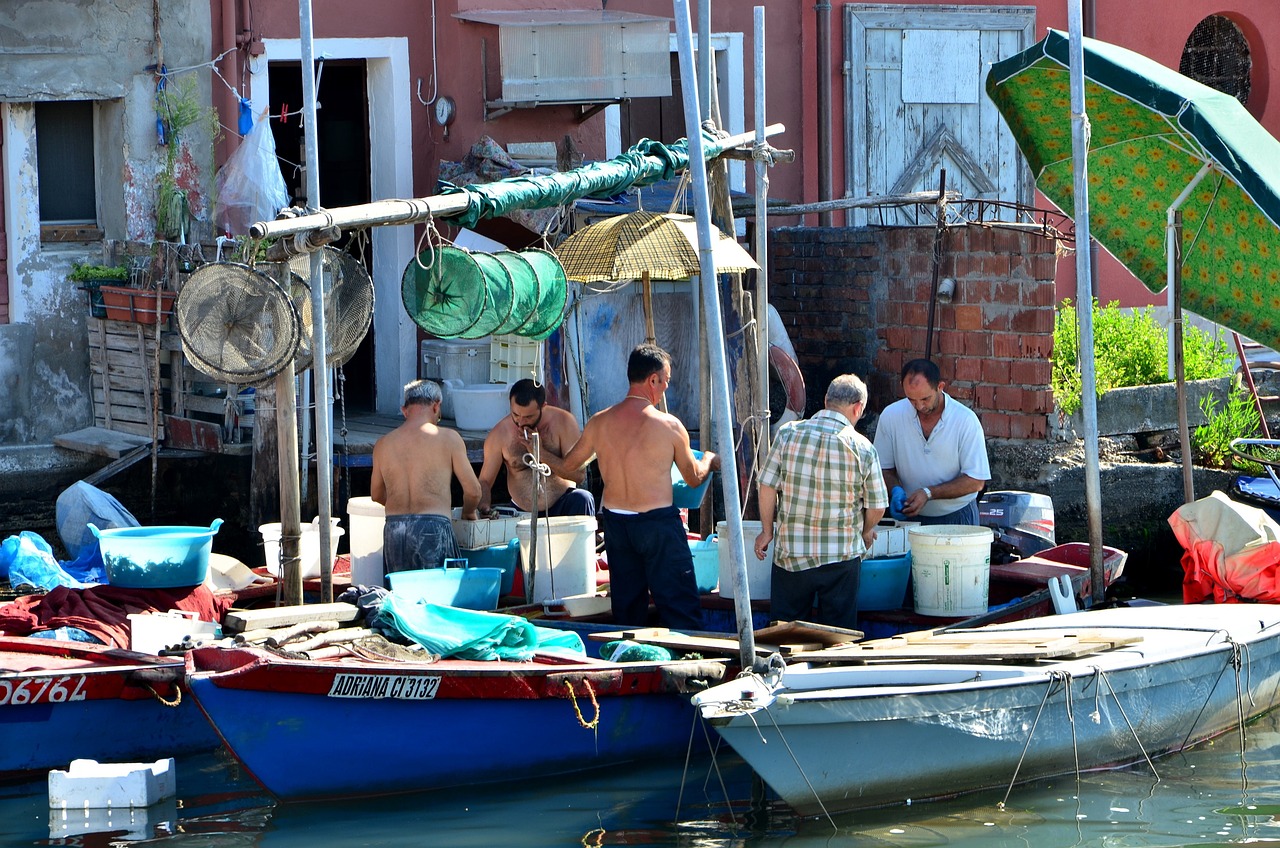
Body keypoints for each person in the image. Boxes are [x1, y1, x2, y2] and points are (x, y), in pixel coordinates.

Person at [549, 344, 718, 630]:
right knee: (681, 608)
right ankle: (691, 668)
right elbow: (691, 478)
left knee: (627, 614)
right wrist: (711, 461)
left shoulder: (599, 422)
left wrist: (536, 453)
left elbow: (567, 466)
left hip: (617, 525)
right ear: (653, 380)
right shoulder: (670, 426)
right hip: (658, 525)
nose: (665, 388)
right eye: (665, 381)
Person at [753, 374, 888, 629]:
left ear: (826, 400)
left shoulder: (788, 433)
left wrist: (766, 531)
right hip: (840, 556)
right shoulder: (863, 447)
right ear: (858, 408)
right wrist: (866, 530)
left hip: (791, 554)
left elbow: (767, 484)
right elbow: (877, 505)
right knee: (837, 639)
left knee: (785, 634)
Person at [371, 379, 481, 577]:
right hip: (433, 528)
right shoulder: (448, 438)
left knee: (402, 599)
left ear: (404, 410)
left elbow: (376, 494)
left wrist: (404, 505)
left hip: (395, 529)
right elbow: (473, 490)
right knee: (438, 597)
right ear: (436, 405)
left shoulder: (383, 444)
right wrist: (468, 512)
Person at [873, 358, 990, 525]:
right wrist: (895, 490)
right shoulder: (891, 416)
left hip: (957, 516)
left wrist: (929, 493)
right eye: (911, 400)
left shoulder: (965, 420)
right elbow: (882, 468)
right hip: (910, 518)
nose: (919, 406)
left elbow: (976, 480)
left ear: (940, 387)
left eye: (925, 399)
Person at [477, 379, 596, 518]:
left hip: (562, 503)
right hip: (523, 512)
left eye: (528, 417)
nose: (520, 422)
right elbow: (484, 481)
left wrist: (542, 454)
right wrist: (484, 506)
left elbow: (578, 475)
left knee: (583, 498)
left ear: (543, 406)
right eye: (515, 415)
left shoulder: (564, 422)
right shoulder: (499, 434)